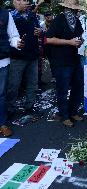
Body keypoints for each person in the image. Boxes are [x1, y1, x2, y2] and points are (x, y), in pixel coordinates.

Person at [46, 0, 84, 127]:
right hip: (61, 61)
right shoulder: (59, 19)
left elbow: (80, 35)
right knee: (62, 89)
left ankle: (73, 111)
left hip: (74, 59)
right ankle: (64, 115)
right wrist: (69, 42)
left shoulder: (76, 21)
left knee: (78, 87)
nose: (74, 10)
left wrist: (80, 41)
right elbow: (49, 39)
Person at [7, 0, 42, 116]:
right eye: (24, 0)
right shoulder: (10, 16)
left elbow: (38, 30)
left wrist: (39, 32)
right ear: (15, 2)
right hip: (17, 57)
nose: (27, 2)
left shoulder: (32, 16)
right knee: (14, 85)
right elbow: (6, 36)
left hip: (33, 55)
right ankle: (9, 109)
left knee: (33, 83)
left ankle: (30, 106)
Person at [0, 1, 23, 137]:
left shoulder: (5, 13)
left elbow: (13, 36)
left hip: (2, 61)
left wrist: (17, 43)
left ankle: (2, 123)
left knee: (1, 94)